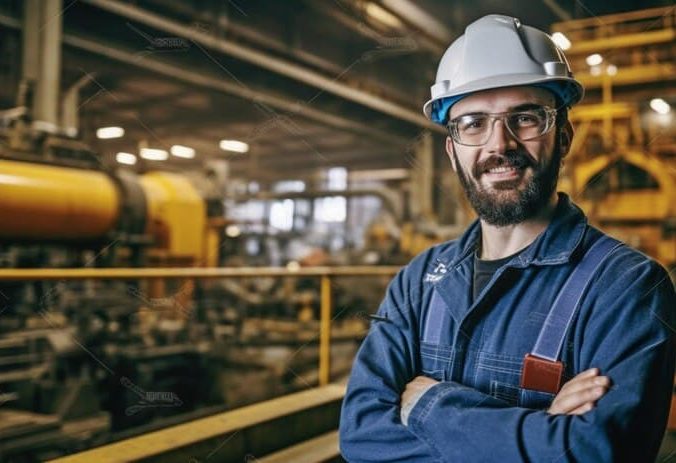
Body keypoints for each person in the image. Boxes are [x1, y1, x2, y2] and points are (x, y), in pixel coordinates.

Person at [339, 14, 675, 462]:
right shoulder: (419, 282)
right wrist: (542, 433)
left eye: (526, 118)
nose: (500, 144)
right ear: (452, 149)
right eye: (473, 123)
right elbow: (360, 435)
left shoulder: (627, 289)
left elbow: (595, 453)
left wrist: (427, 405)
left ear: (564, 137)